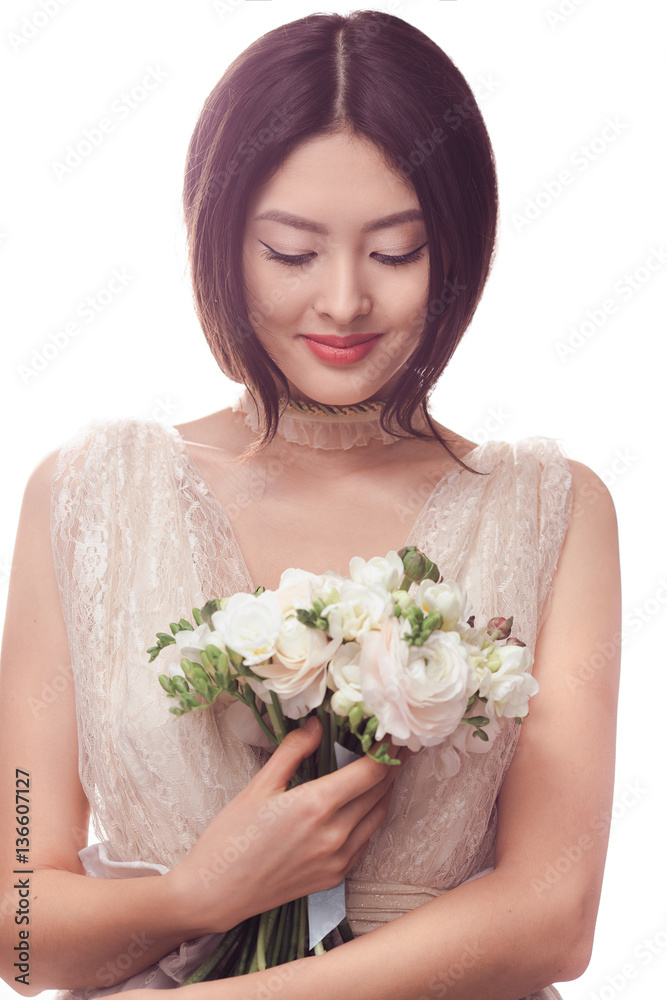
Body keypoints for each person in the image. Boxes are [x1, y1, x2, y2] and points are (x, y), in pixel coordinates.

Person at [0, 9, 620, 1000]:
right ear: (219, 238)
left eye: (395, 252)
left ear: (458, 250)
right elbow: (18, 928)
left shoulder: (548, 510)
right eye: (291, 252)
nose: (341, 302)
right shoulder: (86, 497)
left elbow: (553, 915)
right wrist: (197, 895)